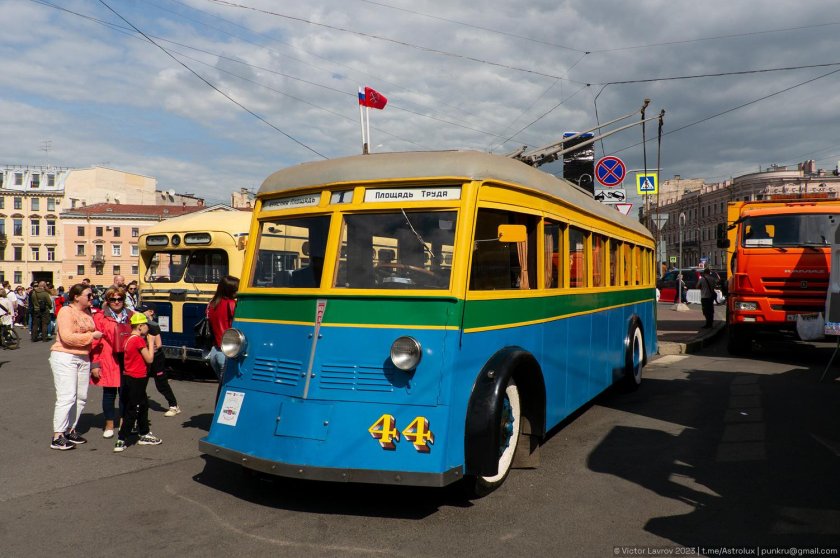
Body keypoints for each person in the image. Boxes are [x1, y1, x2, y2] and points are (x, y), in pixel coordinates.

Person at [49, 283, 103, 450]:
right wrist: (91, 336)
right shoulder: (66, 311)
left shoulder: (87, 312)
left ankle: (70, 429)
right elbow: (67, 337)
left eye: (92, 295)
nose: (92, 298)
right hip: (65, 355)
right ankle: (57, 436)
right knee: (67, 396)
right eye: (88, 295)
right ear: (76, 297)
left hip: (83, 356)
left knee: (81, 396)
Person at [113, 312, 162, 453]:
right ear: (140, 326)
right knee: (133, 408)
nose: (148, 328)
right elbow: (150, 359)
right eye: (146, 325)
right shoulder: (138, 340)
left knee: (143, 404)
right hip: (137, 377)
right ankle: (122, 438)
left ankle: (144, 432)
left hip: (130, 376)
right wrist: (151, 343)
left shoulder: (128, 339)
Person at [91, 286, 133, 438]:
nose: (116, 302)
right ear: (107, 301)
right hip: (108, 358)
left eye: (119, 299)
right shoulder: (100, 317)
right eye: (112, 299)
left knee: (125, 393)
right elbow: (94, 343)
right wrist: (95, 364)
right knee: (109, 393)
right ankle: (109, 424)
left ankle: (123, 422)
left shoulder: (131, 315)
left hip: (127, 359)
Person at [143, 306, 180, 417]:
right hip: (145, 357)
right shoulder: (138, 325)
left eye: (143, 311)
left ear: (150, 312)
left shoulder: (152, 325)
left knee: (161, 383)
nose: (140, 313)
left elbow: (158, 344)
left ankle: (174, 406)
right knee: (141, 383)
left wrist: (148, 346)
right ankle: (140, 406)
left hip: (156, 358)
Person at [207, 275, 239, 383]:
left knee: (222, 385)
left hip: (215, 351)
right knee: (228, 385)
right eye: (236, 289)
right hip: (227, 351)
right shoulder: (231, 304)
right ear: (230, 290)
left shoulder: (212, 304)